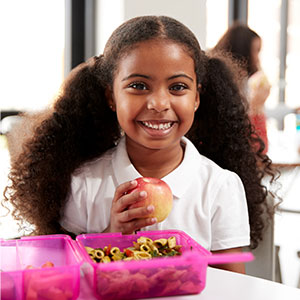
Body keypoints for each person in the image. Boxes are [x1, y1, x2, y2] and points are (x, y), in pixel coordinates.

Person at [3, 16, 276, 274]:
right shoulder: (83, 184)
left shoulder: (220, 187)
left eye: (178, 87)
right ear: (111, 96)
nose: (158, 103)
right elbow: (61, 277)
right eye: (138, 85)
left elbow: (233, 288)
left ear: (197, 97)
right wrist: (110, 235)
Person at [213, 22, 271, 154]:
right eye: (256, 51)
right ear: (243, 52)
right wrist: (256, 108)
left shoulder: (240, 87)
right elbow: (257, 152)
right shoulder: (223, 95)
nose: (257, 59)